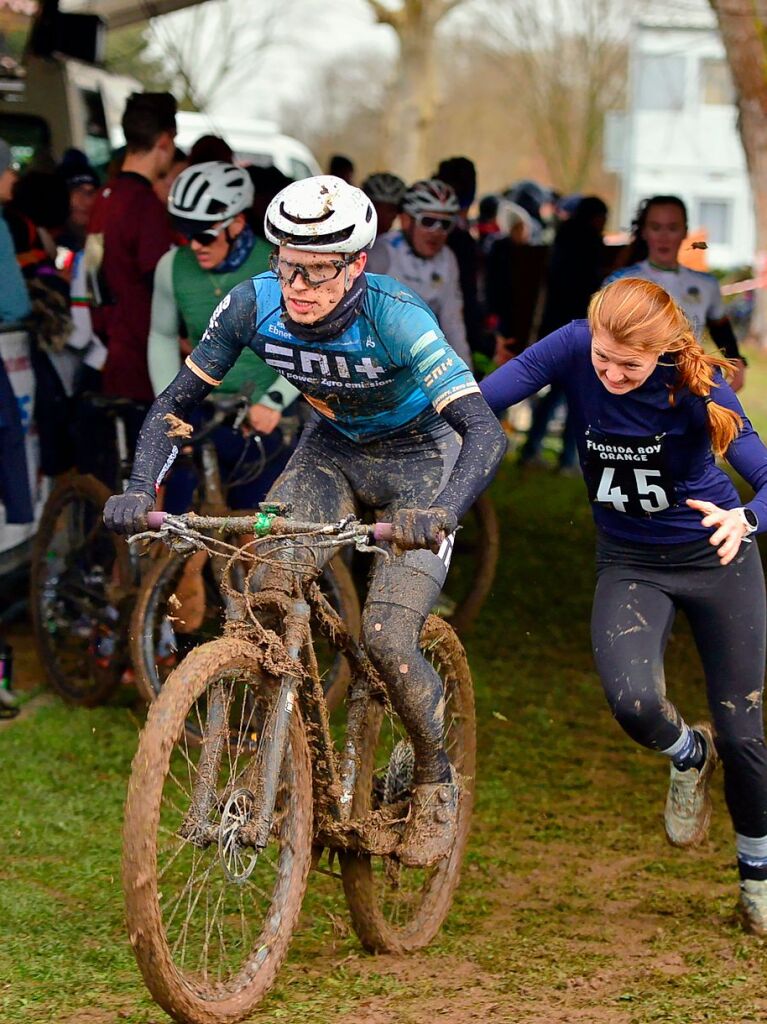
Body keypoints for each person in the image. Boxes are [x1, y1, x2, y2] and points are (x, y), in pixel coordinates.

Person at [104, 174, 507, 866]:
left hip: (422, 460)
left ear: (357, 265)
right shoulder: (249, 304)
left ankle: (435, 776)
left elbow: (483, 432)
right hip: (329, 454)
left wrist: (442, 511)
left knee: (384, 636)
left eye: (320, 271)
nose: (301, 286)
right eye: (288, 265)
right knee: (262, 596)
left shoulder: (399, 316)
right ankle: (280, 760)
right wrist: (141, 486)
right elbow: (177, 400)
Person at [480, 276, 767, 935]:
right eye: (602, 358)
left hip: (716, 560)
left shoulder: (693, 383)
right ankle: (687, 754)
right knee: (632, 703)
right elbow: (482, 396)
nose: (609, 373)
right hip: (629, 563)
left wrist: (744, 521)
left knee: (745, 736)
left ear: (661, 353)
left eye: (627, 366)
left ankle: (755, 880)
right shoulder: (577, 345)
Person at [148, 161, 299, 511]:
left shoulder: (279, 265)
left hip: (263, 408)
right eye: (186, 233)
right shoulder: (171, 266)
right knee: (180, 521)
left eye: (204, 235)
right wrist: (169, 405)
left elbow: (309, 342)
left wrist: (275, 400)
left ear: (238, 223)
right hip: (202, 406)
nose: (194, 245)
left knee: (258, 526)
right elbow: (161, 336)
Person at [86, 92, 177, 408]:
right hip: (146, 360)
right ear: (165, 141)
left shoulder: (104, 196)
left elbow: (92, 273)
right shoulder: (144, 205)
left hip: (113, 348)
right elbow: (161, 282)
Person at [606, 195, 746, 392]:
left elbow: (720, 326)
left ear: (685, 232)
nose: (664, 236)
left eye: (672, 228)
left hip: (686, 388)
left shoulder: (706, 284)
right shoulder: (620, 282)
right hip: (633, 389)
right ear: (645, 232)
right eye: (656, 227)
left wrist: (738, 362)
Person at [518, 196, 609, 473]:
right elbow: (595, 282)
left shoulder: (562, 239)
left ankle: (533, 448)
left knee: (557, 391)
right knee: (576, 395)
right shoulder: (590, 243)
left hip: (555, 326)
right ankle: (569, 458)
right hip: (583, 328)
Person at [365, 178, 472, 366]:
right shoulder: (381, 252)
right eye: (428, 221)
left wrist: (468, 380)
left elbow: (453, 322)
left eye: (445, 224)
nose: (437, 231)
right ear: (406, 220)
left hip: (420, 357)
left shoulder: (447, 259)